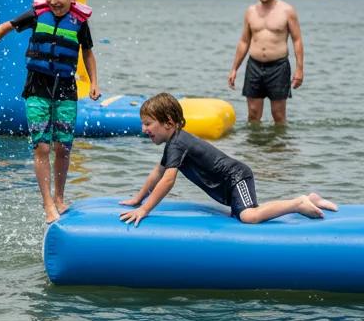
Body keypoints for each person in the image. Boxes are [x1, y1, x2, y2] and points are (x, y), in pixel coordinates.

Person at [0, 0, 101, 223]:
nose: (54, 1)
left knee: (63, 147)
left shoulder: (80, 23)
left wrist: (94, 82)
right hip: (37, 87)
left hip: (66, 89)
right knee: (42, 146)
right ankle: (48, 204)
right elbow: (5, 27)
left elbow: (87, 53)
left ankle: (59, 198)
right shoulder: (37, 14)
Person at [119, 92, 337, 226]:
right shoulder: (174, 143)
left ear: (168, 122)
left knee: (249, 216)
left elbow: (167, 180)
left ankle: (298, 203)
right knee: (247, 212)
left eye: (148, 123)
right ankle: (310, 198)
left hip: (236, 177)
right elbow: (157, 173)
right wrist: (138, 199)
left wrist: (144, 210)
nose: (143, 129)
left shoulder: (177, 143)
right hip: (230, 182)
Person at [228, 0, 303, 123]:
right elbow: (244, 41)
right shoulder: (250, 11)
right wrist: (234, 69)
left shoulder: (287, 11)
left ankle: (278, 139)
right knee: (253, 115)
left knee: (278, 115)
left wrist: (299, 69)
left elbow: (297, 40)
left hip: (278, 67)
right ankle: (255, 140)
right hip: (254, 66)